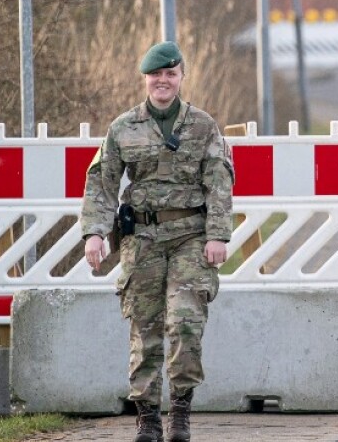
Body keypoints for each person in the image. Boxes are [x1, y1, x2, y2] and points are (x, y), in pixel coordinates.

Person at [81, 41, 234, 442]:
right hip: (142, 239)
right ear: (145, 79)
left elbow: (219, 182)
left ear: (181, 77)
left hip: (189, 236)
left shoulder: (202, 126)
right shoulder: (123, 128)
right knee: (144, 328)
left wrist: (218, 235)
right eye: (156, 75)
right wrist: (95, 233)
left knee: (185, 323)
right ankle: (147, 416)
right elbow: (102, 182)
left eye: (170, 74)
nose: (162, 81)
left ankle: (180, 411)